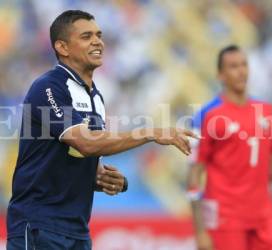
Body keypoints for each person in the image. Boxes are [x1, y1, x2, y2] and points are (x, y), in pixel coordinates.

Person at [6, 10, 197, 250]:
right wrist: (150, 132)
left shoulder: (95, 96)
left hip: (76, 229)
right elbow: (85, 143)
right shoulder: (49, 88)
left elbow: (81, 155)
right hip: (38, 225)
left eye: (99, 35)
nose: (97, 41)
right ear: (62, 47)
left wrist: (101, 177)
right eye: (86, 36)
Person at [186, 45, 272, 250]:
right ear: (220, 75)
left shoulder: (266, 111)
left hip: (263, 216)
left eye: (244, 65)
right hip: (226, 219)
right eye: (233, 66)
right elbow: (195, 173)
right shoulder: (207, 116)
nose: (241, 71)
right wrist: (201, 231)